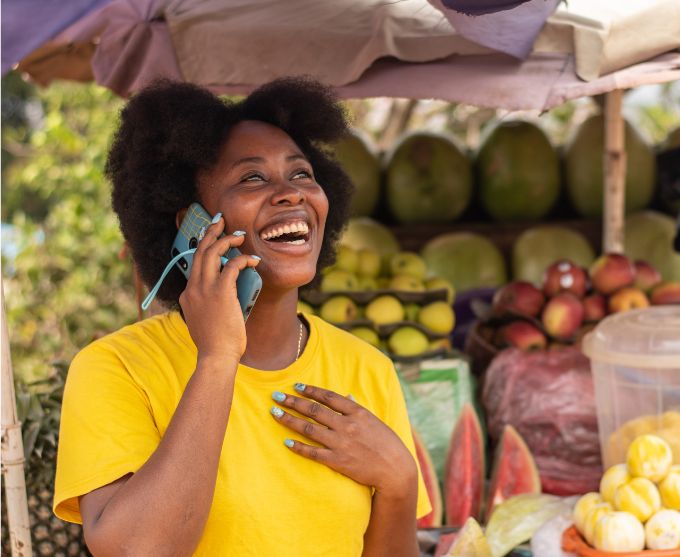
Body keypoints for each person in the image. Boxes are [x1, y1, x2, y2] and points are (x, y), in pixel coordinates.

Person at [53, 77, 430, 556]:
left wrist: (399, 481)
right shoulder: (116, 369)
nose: (291, 194)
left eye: (301, 174)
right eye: (253, 178)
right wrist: (216, 358)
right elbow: (137, 551)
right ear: (191, 222)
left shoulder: (367, 369)